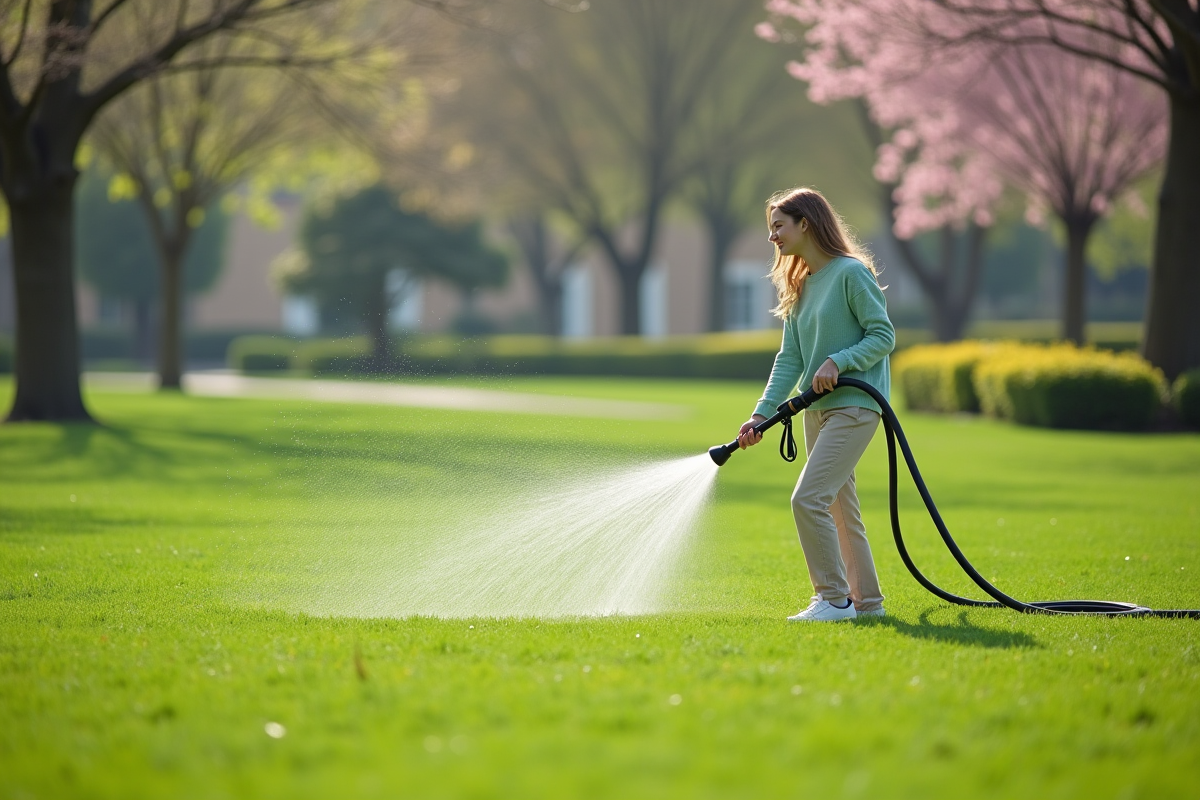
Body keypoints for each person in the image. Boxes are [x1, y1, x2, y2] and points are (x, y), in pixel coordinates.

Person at [736, 187, 895, 622]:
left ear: (805, 223)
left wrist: (838, 361)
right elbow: (789, 359)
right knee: (842, 513)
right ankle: (869, 605)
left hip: (855, 408)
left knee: (807, 500)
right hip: (817, 413)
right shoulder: (800, 285)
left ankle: (835, 600)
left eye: (778, 227)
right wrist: (760, 415)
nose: (773, 237)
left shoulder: (850, 274)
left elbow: (883, 335)